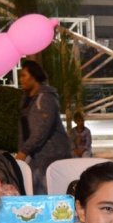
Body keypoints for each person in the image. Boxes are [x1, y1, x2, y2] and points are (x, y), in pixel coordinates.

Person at [16, 59, 73, 195]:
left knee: (50, 194)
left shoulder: (46, 98)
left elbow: (41, 130)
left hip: (51, 156)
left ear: (34, 76)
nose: (21, 79)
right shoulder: (27, 99)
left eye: (24, 75)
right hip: (35, 157)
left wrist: (23, 151)